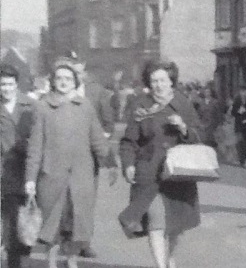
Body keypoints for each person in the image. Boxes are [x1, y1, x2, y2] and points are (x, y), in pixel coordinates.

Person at [25, 59, 110, 268]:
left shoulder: (86, 106)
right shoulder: (43, 107)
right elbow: (35, 146)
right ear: (53, 81)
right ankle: (52, 262)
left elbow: (97, 138)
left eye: (68, 78)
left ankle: (71, 261)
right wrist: (30, 179)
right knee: (54, 224)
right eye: (59, 78)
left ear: (75, 81)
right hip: (52, 176)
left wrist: (111, 164)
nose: (63, 82)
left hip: (81, 177)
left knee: (78, 223)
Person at [119, 60, 203, 268]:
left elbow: (198, 137)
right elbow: (129, 141)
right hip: (149, 174)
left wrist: (183, 127)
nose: (158, 85)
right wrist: (128, 164)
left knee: (176, 228)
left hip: (178, 174)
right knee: (156, 224)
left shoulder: (183, 103)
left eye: (162, 80)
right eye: (154, 80)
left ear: (171, 81)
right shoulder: (141, 105)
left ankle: (170, 259)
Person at [60, 51, 117, 258]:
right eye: (69, 71)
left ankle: (84, 242)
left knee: (85, 199)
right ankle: (66, 240)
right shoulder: (59, 92)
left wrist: (102, 137)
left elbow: (108, 122)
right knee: (65, 199)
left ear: (83, 70)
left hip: (89, 157)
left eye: (77, 70)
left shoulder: (97, 92)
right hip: (64, 156)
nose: (74, 75)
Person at [0, 63, 35, 268]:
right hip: (3, 173)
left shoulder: (30, 105)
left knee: (24, 226)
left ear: (16, 84)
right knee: (10, 225)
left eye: (10, 84)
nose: (6, 88)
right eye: (2, 84)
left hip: (26, 172)